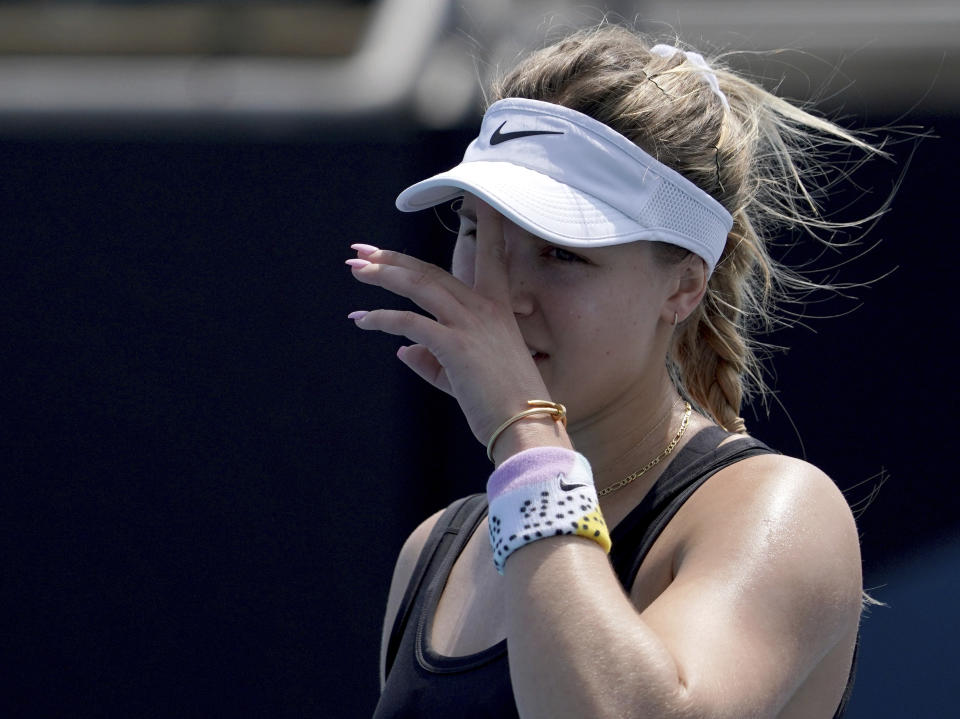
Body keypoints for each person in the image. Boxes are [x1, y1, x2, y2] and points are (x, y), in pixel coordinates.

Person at [349, 23, 882, 719]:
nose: (501, 294)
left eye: (561, 253)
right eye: (476, 229)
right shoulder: (432, 552)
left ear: (684, 285)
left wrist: (525, 435)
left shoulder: (782, 511)